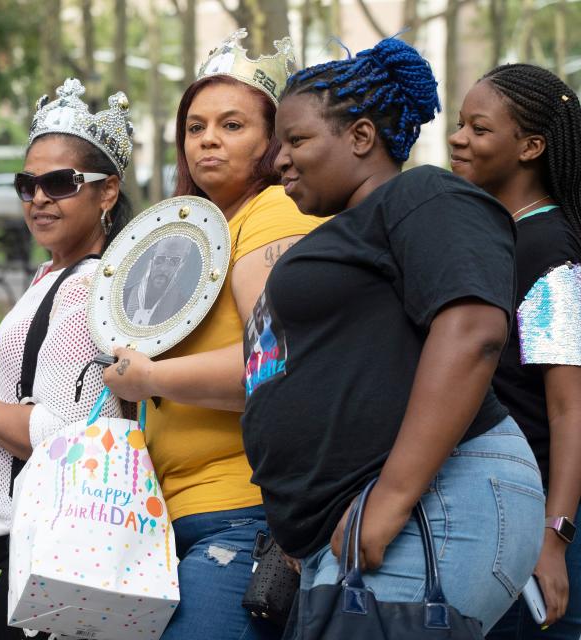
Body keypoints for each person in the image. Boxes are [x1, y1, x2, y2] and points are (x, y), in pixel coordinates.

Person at [241, 37, 545, 632]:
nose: (278, 160)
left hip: (429, 504)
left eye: (297, 140)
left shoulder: (423, 195)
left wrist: (393, 498)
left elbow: (474, 329)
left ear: (360, 137)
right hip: (353, 527)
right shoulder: (351, 231)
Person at [102, 30, 324, 640]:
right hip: (171, 513)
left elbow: (274, 366)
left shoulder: (273, 211)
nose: (207, 140)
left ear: (273, 140)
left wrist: (148, 378)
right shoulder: (195, 229)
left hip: (240, 513)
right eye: (195, 126)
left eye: (232, 125)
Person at [0, 78, 132, 640]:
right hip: (34, 548)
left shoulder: (94, 286)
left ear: (107, 192)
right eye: (27, 184)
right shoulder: (52, 277)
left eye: (60, 183)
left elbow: (68, 437)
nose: (38, 198)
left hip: (61, 548)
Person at [449, 64, 581, 638]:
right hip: (494, 508)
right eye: (459, 125)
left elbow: (569, 407)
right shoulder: (492, 231)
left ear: (530, 146)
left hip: (540, 522)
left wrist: (553, 537)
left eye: (478, 129)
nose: (458, 138)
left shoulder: (548, 246)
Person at [122, 236, 200, 326]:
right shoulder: (124, 297)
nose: (164, 268)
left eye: (174, 262)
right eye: (160, 259)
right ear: (152, 257)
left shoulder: (184, 307)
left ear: (182, 264)